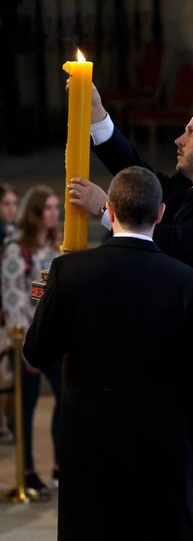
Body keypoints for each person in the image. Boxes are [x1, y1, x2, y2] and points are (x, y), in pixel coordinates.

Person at [68, 84, 193, 540]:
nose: (179, 138)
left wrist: (108, 212)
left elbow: (173, 245)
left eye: (190, 133)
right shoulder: (191, 192)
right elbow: (137, 174)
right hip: (181, 381)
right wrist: (98, 117)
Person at [23, 167, 193, 540]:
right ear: (160, 213)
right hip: (159, 436)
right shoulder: (189, 281)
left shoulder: (70, 271)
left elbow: (37, 350)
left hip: (89, 434)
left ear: (109, 207)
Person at [1, 185, 61, 498]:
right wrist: (28, 348)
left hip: (50, 340)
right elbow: (14, 300)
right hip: (25, 342)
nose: (55, 213)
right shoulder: (16, 249)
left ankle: (59, 465)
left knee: (66, 397)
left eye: (56, 207)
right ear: (35, 213)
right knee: (26, 407)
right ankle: (27, 473)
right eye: (49, 208)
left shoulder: (53, 247)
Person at [0, 181, 19, 441]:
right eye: (6, 204)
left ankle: (6, 423)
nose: (11, 209)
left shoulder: (14, 232)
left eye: (15, 204)